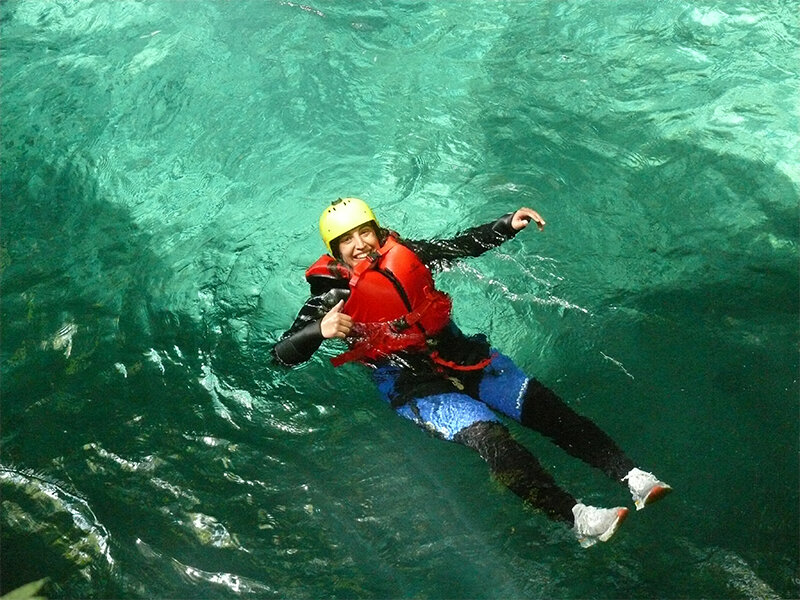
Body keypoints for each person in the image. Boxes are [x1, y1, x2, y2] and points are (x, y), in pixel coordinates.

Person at [272, 197, 672, 547]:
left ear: (378, 232)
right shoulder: (330, 298)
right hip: (413, 386)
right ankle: (579, 519)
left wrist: (505, 225)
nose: (359, 245)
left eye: (365, 233)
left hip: (461, 355)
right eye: (347, 239)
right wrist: (317, 331)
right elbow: (281, 356)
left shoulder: (405, 254)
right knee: (492, 438)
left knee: (545, 407)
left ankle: (633, 477)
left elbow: (459, 246)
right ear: (335, 250)